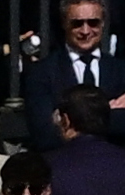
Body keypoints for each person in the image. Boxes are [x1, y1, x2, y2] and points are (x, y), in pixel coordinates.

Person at [25, 0, 125, 153]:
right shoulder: (42, 73)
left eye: (93, 23)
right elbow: (44, 133)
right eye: (77, 24)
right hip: (64, 162)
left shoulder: (120, 70)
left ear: (103, 23)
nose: (85, 31)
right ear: (64, 23)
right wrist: (106, 111)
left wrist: (71, 121)